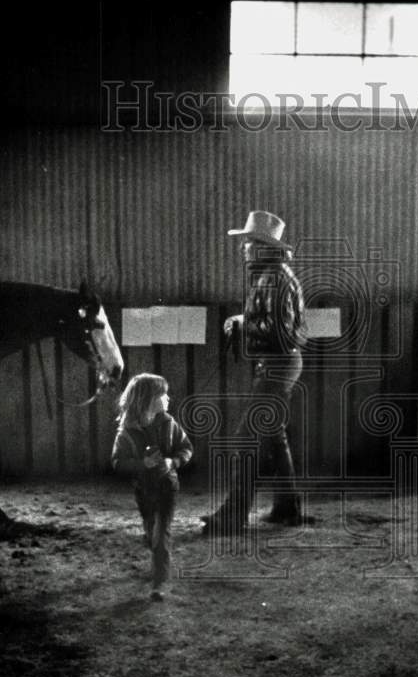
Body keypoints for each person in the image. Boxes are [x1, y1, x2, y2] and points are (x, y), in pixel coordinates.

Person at [202, 210, 307, 533]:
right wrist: (242, 319)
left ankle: (232, 518)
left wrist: (243, 323)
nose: (243, 248)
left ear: (264, 247)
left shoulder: (273, 278)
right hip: (280, 364)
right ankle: (288, 509)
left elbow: (281, 331)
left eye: (248, 242)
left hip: (278, 365)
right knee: (274, 437)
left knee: (246, 438)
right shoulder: (271, 276)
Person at [111, 373, 193, 601]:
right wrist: (141, 464)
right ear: (147, 399)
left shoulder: (168, 423)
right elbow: (117, 462)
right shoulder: (126, 432)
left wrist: (173, 462)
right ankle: (158, 558)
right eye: (163, 394)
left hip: (168, 486)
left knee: (161, 532)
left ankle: (158, 584)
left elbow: (186, 447)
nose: (168, 398)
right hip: (143, 491)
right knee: (151, 531)